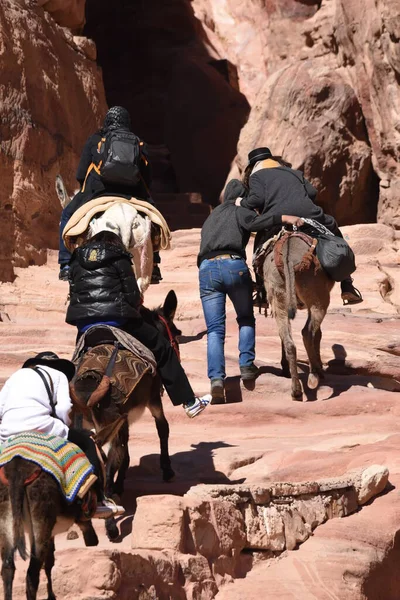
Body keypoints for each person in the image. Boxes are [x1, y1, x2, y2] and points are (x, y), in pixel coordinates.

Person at [66, 230, 211, 418]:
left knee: (76, 362)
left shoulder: (76, 260)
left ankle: (68, 408)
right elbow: (133, 296)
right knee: (163, 348)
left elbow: (74, 295)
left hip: (86, 327)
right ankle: (189, 402)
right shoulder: (119, 256)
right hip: (118, 322)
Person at [198, 179, 304, 404]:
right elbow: (258, 222)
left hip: (206, 270)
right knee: (245, 318)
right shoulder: (239, 211)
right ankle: (246, 366)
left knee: (215, 330)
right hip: (233, 265)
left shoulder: (211, 216)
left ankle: (216, 380)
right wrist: (285, 217)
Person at [0, 351, 123, 517]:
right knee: (88, 443)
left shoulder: (16, 376)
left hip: (8, 430)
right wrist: (64, 426)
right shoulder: (59, 376)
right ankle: (98, 499)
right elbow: (64, 409)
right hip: (43, 426)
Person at [240, 147, 363, 305]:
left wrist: (241, 202)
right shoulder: (293, 173)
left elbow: (256, 200)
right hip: (308, 216)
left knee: (259, 248)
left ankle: (263, 295)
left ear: (253, 165)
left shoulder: (256, 175)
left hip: (279, 218)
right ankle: (347, 285)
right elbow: (312, 192)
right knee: (333, 230)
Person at [58, 106, 162, 283]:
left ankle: (66, 265)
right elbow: (148, 178)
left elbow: (80, 174)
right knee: (155, 221)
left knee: (67, 214)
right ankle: (154, 266)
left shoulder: (95, 140)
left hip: (99, 192)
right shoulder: (139, 143)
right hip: (133, 194)